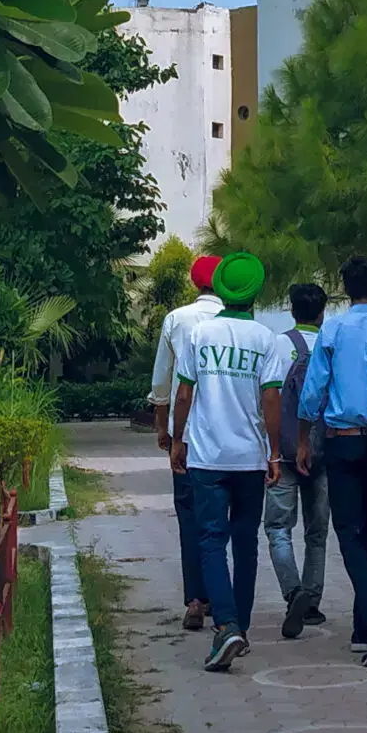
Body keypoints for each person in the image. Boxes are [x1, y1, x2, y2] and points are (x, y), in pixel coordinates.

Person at [169, 250, 290, 673]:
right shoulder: (267, 340)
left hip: (207, 456)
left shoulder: (200, 336)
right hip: (250, 459)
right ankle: (241, 626)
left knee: (210, 541)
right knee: (245, 542)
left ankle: (227, 626)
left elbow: (183, 393)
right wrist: (273, 452)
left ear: (220, 289)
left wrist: (178, 440)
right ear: (255, 292)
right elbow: (271, 399)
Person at [295, 254, 367, 667]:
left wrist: (304, 439)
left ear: (344, 290)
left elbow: (314, 390)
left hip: (342, 442)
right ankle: (364, 629)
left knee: (348, 531)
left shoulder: (333, 329)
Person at [151, 252, 221, 629]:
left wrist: (164, 430)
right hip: (228, 438)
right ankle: (221, 596)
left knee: (190, 516)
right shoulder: (239, 322)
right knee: (222, 518)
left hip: (188, 435)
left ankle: (196, 598)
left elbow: (164, 383)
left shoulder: (177, 319)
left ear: (195, 284)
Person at [268, 282, 332, 639]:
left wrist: (272, 449)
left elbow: (269, 398)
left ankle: (293, 592)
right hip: (322, 451)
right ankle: (312, 603)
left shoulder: (278, 345)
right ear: (322, 312)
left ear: (292, 311)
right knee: (317, 532)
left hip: (286, 451)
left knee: (278, 528)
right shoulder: (330, 344)